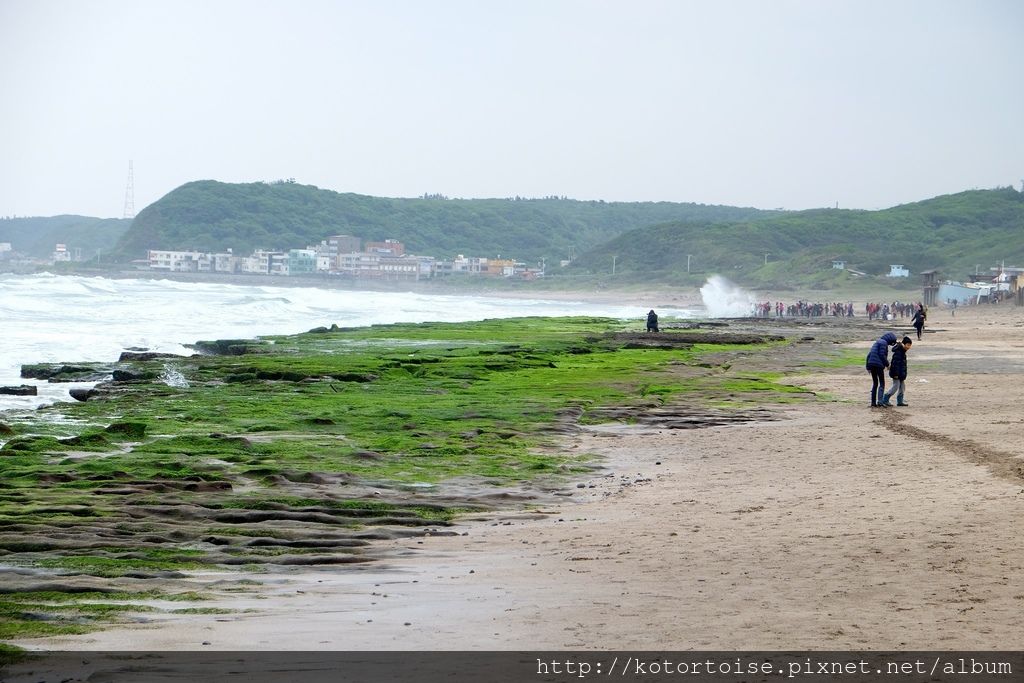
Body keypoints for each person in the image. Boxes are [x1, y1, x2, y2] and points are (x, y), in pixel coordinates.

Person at [865, 331, 898, 407]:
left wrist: (868, 366)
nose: (891, 344)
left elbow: (869, 355)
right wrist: (887, 364)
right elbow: (882, 355)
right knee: (882, 383)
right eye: (892, 342)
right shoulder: (884, 343)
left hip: (871, 364)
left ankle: (873, 403)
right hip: (878, 365)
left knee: (875, 383)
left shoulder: (877, 342)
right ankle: (880, 401)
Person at [881, 336, 912, 406]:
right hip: (896, 373)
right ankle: (885, 399)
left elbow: (902, 365)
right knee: (895, 386)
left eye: (910, 345)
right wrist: (896, 374)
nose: (909, 347)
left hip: (901, 374)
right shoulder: (899, 352)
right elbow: (895, 364)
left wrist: (903, 374)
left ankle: (900, 401)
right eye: (908, 345)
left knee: (902, 387)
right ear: (903, 344)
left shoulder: (902, 352)